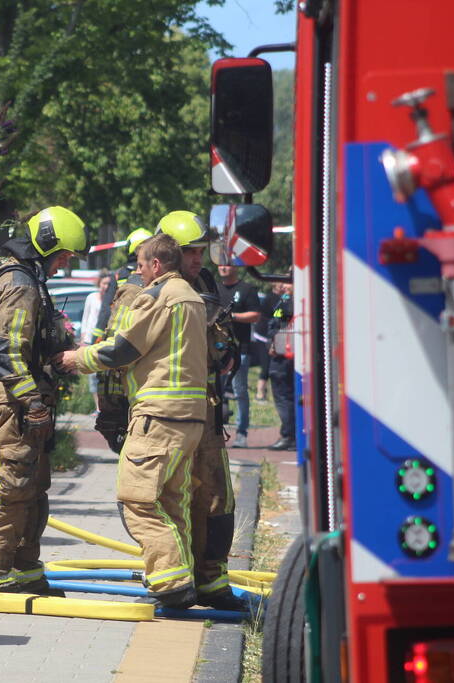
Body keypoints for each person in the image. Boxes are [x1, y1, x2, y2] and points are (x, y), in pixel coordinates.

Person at [54, 233, 207, 608]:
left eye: (139, 265)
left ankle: (169, 582)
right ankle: (180, 579)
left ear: (156, 264)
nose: (136, 273)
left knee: (135, 498)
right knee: (172, 500)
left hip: (158, 413)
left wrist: (76, 359)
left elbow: (122, 348)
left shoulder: (158, 297)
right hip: (190, 417)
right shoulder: (192, 297)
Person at [0, 205, 87, 595]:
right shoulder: (19, 284)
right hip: (13, 400)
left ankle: (24, 567)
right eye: (65, 255)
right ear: (48, 245)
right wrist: (32, 403)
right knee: (12, 483)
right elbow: (6, 351)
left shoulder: (29, 279)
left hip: (24, 397)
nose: (65, 264)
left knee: (34, 486)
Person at [154, 210, 244, 611]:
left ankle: (213, 582)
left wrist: (228, 350)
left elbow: (224, 340)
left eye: (200, 251)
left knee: (217, 500)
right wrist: (113, 417)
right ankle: (176, 582)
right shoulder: (145, 288)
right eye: (189, 252)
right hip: (163, 416)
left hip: (206, 414)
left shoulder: (206, 284)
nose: (198, 259)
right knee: (168, 499)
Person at [93, 228, 152, 452]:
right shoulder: (153, 278)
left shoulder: (119, 275)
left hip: (117, 349)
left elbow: (106, 313)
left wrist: (95, 340)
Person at [218, 265, 261, 449]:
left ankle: (241, 432)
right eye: (220, 264)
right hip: (217, 350)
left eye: (227, 264)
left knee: (240, 392)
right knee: (215, 392)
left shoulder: (247, 289)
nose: (223, 267)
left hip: (240, 350)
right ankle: (216, 432)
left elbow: (256, 315)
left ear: (235, 266)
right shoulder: (214, 287)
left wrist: (232, 316)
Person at [268, 283, 296, 451]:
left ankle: (289, 435)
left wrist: (275, 344)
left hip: (285, 356)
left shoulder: (292, 302)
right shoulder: (284, 300)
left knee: (284, 397)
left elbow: (285, 328)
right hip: (280, 353)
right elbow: (273, 324)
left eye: (288, 281)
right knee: (284, 396)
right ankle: (289, 434)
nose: (283, 285)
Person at [78, 269, 111, 411]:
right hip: (90, 339)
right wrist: (83, 336)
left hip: (103, 340)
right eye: (104, 283)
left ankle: (103, 406)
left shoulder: (112, 300)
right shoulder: (92, 297)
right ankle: (97, 406)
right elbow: (86, 317)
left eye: (109, 284)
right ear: (99, 283)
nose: (106, 286)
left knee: (101, 372)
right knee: (91, 374)